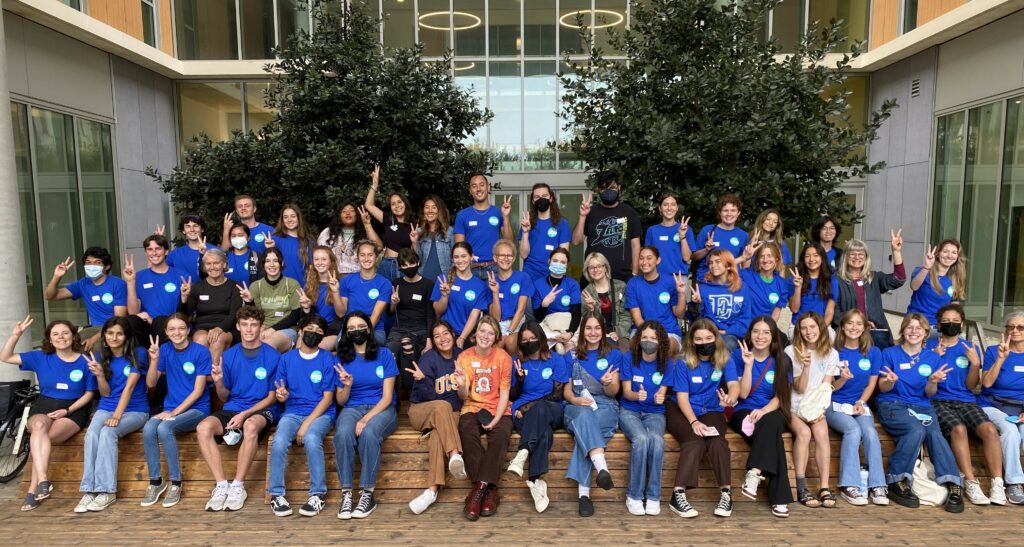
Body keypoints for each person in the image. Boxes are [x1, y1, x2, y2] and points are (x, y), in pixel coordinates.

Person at [1, 317, 94, 511]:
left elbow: (89, 394)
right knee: (38, 428)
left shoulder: (86, 359)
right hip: (44, 405)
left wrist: (67, 410)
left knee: (41, 440)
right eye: (56, 334)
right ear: (50, 340)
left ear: (73, 336)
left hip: (73, 409)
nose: (61, 337)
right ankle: (43, 480)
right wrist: (16, 335)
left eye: (65, 333)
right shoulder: (40, 357)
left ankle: (31, 491)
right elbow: (6, 357)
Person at [195, 307, 280, 512]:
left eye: (253, 325)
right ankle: (222, 485)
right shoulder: (229, 355)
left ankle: (238, 486)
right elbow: (224, 396)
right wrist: (219, 382)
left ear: (261, 327)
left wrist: (245, 414)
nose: (249, 329)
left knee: (250, 426)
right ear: (237, 326)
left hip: (262, 409)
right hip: (234, 408)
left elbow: (272, 397)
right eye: (245, 325)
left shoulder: (274, 356)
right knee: (203, 428)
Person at [876, 313, 963, 513]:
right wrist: (889, 381)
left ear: (926, 333)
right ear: (903, 330)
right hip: (893, 404)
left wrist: (932, 382)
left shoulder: (932, 357)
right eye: (909, 327)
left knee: (935, 434)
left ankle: (953, 483)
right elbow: (882, 388)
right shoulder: (889, 353)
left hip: (922, 406)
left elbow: (929, 393)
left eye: (919, 328)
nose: (914, 331)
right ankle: (897, 480)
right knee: (916, 431)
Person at [927, 303, 1005, 505]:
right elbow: (922, 380)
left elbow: (971, 385)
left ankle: (998, 484)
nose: (951, 324)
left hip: (965, 400)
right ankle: (970, 481)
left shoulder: (970, 347)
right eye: (946, 321)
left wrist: (976, 364)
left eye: (955, 321)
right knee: (959, 430)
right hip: (937, 400)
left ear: (961, 323)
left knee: (989, 429)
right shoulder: (929, 345)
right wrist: (935, 356)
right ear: (939, 323)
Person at [666, 318, 740, 519]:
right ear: (692, 341)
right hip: (681, 409)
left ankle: (726, 494)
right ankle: (677, 494)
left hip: (711, 408)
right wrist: (694, 422)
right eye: (698, 338)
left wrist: (730, 398)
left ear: (716, 338)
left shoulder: (725, 357)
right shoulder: (682, 361)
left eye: (708, 337)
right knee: (694, 441)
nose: (704, 342)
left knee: (718, 442)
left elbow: (734, 384)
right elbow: (682, 397)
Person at [267, 314, 339, 518]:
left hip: (321, 414)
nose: (313, 334)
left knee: (311, 438)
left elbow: (327, 399)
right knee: (279, 441)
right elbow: (282, 393)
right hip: (292, 412)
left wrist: (307, 423)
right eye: (310, 329)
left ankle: (317, 494)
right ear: (300, 331)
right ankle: (276, 495)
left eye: (319, 332)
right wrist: (282, 396)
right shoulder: (287, 358)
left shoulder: (327, 359)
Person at [76, 317, 150, 513]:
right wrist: (100, 375)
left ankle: (106, 491)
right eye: (110, 333)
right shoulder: (100, 356)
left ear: (126, 336)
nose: (114, 337)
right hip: (106, 406)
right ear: (104, 336)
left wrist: (117, 416)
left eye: (119, 333)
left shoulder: (138, 353)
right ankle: (89, 490)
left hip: (135, 409)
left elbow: (129, 387)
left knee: (108, 433)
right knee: (91, 435)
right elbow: (106, 393)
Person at [333, 311, 399, 520]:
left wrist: (365, 418)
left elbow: (387, 397)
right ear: (346, 333)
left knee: (369, 433)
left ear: (369, 329)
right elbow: (341, 401)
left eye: (360, 327)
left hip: (381, 408)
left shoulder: (385, 355)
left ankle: (367, 493)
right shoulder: (341, 358)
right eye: (351, 329)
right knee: (343, 433)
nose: (356, 331)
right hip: (352, 407)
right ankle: (346, 493)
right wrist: (347, 385)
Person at [141, 313, 211, 509]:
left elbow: (198, 391)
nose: (177, 332)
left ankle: (176, 482)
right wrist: (154, 360)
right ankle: (156, 482)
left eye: (181, 328)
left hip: (196, 409)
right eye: (172, 329)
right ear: (166, 332)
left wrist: (174, 413)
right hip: (171, 408)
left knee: (164, 429)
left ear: (188, 330)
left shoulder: (200, 352)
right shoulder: (164, 349)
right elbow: (150, 383)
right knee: (148, 428)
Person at [729, 316, 794, 518]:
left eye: (766, 332)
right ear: (750, 334)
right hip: (743, 411)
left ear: (773, 336)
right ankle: (780, 499)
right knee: (773, 438)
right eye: (756, 331)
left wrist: (764, 410)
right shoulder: (736, 356)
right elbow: (743, 394)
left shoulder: (783, 360)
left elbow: (780, 397)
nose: (760, 336)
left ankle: (755, 472)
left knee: (772, 421)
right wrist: (748, 365)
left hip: (772, 409)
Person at [826, 309, 889, 506]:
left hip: (859, 404)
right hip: (834, 403)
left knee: (870, 431)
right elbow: (829, 388)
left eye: (859, 324)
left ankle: (877, 485)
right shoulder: (833, 352)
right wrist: (843, 379)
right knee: (853, 430)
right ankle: (849, 485)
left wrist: (861, 402)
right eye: (850, 323)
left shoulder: (873, 352)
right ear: (842, 326)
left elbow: (872, 384)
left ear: (865, 327)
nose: (854, 327)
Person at [562, 312, 622, 517]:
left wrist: (607, 384)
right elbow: (567, 391)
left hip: (605, 405)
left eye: (597, 328)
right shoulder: (571, 355)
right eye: (588, 328)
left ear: (603, 331)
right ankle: (601, 468)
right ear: (582, 331)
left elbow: (614, 391)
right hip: (576, 406)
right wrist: (575, 400)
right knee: (584, 416)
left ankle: (584, 496)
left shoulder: (614, 354)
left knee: (585, 434)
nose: (593, 332)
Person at [455, 316, 514, 521]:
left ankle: (477, 491)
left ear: (496, 337)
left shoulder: (504, 357)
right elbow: (463, 396)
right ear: (475, 333)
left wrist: (496, 419)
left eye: (490, 333)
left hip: (498, 408)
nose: (485, 336)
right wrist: (462, 384)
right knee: (466, 430)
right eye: (482, 331)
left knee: (501, 435)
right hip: (472, 406)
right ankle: (489, 491)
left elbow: (505, 393)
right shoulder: (464, 357)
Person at [506, 322, 568, 513]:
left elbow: (557, 394)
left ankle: (522, 452)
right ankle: (535, 482)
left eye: (533, 338)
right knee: (544, 432)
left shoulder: (556, 359)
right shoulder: (517, 362)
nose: (529, 342)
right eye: (524, 340)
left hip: (552, 409)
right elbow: (512, 396)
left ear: (541, 339)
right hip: (521, 411)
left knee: (541, 408)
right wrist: (520, 381)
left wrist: (528, 407)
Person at [406, 321, 467, 514]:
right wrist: (422, 380)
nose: (443, 339)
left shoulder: (462, 356)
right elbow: (427, 397)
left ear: (453, 334)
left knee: (436, 437)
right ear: (433, 341)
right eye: (437, 336)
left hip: (450, 415)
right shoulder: (428, 359)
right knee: (442, 406)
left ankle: (431, 492)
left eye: (446, 333)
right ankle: (454, 455)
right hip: (421, 410)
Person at [785, 312, 839, 508]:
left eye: (812, 327)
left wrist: (819, 411)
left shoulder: (831, 354)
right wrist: (806, 366)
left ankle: (824, 486)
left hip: (815, 407)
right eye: (804, 328)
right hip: (793, 407)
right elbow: (798, 388)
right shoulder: (791, 352)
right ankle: (801, 486)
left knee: (822, 433)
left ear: (820, 328)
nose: (809, 332)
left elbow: (826, 387)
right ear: (799, 331)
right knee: (805, 433)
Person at [619, 321, 674, 516]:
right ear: (638, 339)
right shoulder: (628, 359)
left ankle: (653, 496)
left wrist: (661, 397)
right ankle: (633, 496)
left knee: (657, 441)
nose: (648, 341)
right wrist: (636, 395)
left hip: (654, 412)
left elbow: (663, 392)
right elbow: (626, 392)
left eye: (653, 338)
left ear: (660, 341)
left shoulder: (667, 362)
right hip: (630, 411)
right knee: (641, 439)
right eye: (645, 338)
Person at [980, 311, 1024, 505]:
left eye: (1020, 327)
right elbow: (986, 383)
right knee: (1011, 432)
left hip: (1021, 408)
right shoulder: (993, 351)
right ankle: (1014, 483)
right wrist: (1001, 358)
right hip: (992, 404)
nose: (1014, 331)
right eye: (1010, 327)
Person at [44, 247, 127, 350]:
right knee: (68, 345)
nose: (92, 266)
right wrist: (57, 277)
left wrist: (94, 339)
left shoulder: (117, 284)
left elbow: (118, 319)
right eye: (88, 263)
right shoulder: (83, 283)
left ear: (107, 267)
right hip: (94, 328)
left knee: (96, 347)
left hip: (114, 328)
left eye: (97, 263)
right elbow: (50, 296)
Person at [833, 233, 906, 349]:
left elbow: (899, 279)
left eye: (861, 254)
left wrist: (896, 252)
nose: (857, 257)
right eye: (852, 254)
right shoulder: (836, 280)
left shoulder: (873, 278)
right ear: (845, 257)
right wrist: (858, 324)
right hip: (848, 334)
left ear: (866, 257)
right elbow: (834, 311)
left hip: (876, 333)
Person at [572, 170, 642, 282]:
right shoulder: (590, 212)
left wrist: (634, 273)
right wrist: (582, 216)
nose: (608, 191)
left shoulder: (630, 213)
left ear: (619, 187)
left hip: (622, 278)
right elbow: (576, 241)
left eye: (612, 187)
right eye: (604, 188)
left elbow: (635, 246)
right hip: (592, 277)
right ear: (598, 190)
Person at [179, 249, 242, 365]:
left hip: (226, 328)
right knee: (200, 340)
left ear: (224, 264)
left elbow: (235, 315)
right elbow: (184, 316)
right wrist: (183, 299)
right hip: (202, 328)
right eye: (208, 264)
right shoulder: (197, 287)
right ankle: (201, 377)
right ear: (204, 266)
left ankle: (214, 379)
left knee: (216, 340)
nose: (212, 267)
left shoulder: (234, 286)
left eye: (216, 263)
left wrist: (220, 328)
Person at [124, 234, 187, 347]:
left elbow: (186, 311)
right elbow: (133, 312)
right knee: (131, 321)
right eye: (150, 249)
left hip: (171, 326)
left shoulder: (180, 275)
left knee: (160, 321)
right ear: (146, 253)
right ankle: (139, 361)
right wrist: (130, 283)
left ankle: (162, 362)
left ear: (166, 251)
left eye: (158, 249)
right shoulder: (138, 276)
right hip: (146, 326)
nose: (154, 253)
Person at [388, 247, 436, 394]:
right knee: (390, 350)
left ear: (418, 262)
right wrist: (394, 303)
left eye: (411, 263)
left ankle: (411, 391)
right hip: (400, 328)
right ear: (400, 267)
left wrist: (429, 338)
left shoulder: (428, 284)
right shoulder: (396, 283)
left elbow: (430, 314)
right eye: (404, 265)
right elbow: (390, 312)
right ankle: (392, 392)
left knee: (411, 350)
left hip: (420, 329)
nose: (408, 267)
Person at [625, 246, 687, 355]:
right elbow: (638, 318)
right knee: (636, 347)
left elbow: (679, 314)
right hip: (642, 329)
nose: (644, 262)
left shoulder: (670, 281)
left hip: (668, 331)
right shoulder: (633, 283)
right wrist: (652, 335)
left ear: (658, 260)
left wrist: (681, 293)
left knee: (664, 348)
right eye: (641, 258)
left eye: (649, 258)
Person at [240, 248, 303, 352]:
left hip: (287, 329)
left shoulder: (292, 284)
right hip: (262, 328)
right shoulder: (256, 286)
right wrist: (249, 301)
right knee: (249, 345)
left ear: (281, 263)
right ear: (263, 265)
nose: (272, 265)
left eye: (275, 261)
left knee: (266, 345)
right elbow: (252, 315)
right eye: (268, 261)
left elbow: (295, 315)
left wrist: (272, 329)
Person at [453, 173, 513, 279]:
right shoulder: (463, 215)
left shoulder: (499, 212)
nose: (478, 189)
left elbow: (509, 242)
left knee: (495, 296)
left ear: (488, 187)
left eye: (482, 185)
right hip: (471, 269)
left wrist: (506, 217)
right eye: (474, 186)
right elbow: (459, 247)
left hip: (495, 268)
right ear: (470, 191)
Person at [432, 242, 490, 349]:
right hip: (446, 334)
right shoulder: (443, 279)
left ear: (471, 256)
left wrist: (462, 338)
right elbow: (437, 311)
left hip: (467, 334)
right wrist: (445, 296)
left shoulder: (480, 286)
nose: (460, 260)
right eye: (456, 257)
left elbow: (474, 315)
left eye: (464, 256)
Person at [365, 166, 416, 283]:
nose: (397, 206)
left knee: (400, 299)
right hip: (385, 264)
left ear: (405, 203)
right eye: (393, 204)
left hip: (402, 265)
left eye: (399, 202)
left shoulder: (413, 224)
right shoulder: (388, 219)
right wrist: (374, 185)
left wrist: (414, 242)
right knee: (383, 297)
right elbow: (369, 205)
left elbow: (416, 250)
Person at [694, 249, 752, 351]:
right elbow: (701, 318)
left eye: (718, 261)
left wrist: (727, 331)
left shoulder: (742, 288)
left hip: (730, 334)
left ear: (728, 265)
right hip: (707, 333)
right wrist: (699, 304)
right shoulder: (703, 288)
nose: (713, 265)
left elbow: (745, 318)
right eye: (711, 263)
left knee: (727, 344)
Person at [337, 240, 393, 345]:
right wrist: (335, 292)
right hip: (350, 327)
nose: (366, 259)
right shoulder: (346, 280)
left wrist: (360, 336)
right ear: (357, 258)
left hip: (374, 329)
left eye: (370, 255)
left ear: (376, 258)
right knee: (341, 345)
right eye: (362, 255)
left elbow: (375, 317)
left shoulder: (385, 283)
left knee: (366, 346)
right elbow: (341, 313)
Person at [532, 248, 582, 352]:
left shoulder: (573, 284)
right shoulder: (538, 284)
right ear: (549, 261)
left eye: (563, 262)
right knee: (539, 334)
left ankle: (564, 345)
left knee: (583, 331)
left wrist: (570, 332)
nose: (558, 264)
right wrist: (544, 304)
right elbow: (538, 316)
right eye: (555, 261)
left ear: (567, 265)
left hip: (570, 321)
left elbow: (576, 313)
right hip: (549, 322)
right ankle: (562, 345)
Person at [487, 239, 533, 352]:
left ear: (514, 258)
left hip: (517, 322)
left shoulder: (523, 277)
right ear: (495, 258)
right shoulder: (491, 282)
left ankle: (514, 368)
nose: (506, 258)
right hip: (498, 324)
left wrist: (508, 332)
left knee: (510, 342)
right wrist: (495, 292)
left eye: (509, 255)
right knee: (497, 346)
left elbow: (521, 310)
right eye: (502, 255)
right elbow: (496, 318)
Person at [519, 183, 571, 282]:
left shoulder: (562, 223)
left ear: (551, 199)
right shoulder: (527, 222)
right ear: (533, 201)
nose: (541, 199)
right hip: (530, 274)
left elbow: (563, 255)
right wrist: (525, 233)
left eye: (544, 196)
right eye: (537, 197)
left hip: (553, 274)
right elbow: (523, 255)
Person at [907, 239, 967, 326]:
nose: (950, 256)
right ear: (938, 254)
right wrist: (927, 267)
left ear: (958, 256)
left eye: (954, 252)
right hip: (917, 323)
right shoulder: (922, 271)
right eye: (945, 251)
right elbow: (914, 286)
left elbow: (954, 304)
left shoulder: (955, 278)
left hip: (940, 326)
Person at [692, 194, 748, 281]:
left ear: (738, 213)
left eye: (733, 210)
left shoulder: (743, 235)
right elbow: (694, 257)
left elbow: (745, 264)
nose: (729, 214)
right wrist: (706, 249)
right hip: (707, 280)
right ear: (719, 212)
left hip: (731, 282)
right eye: (725, 210)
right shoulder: (708, 230)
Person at [581, 252, 631, 348]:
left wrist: (617, 332)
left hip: (619, 334)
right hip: (596, 335)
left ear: (605, 268)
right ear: (588, 271)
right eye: (591, 267)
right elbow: (586, 322)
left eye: (599, 266)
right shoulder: (586, 293)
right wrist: (592, 309)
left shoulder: (620, 286)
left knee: (623, 353)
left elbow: (626, 316)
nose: (595, 270)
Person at [301, 246, 345, 350]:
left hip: (333, 331)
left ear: (331, 261)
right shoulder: (309, 284)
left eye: (324, 259)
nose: (320, 262)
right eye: (316, 259)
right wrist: (306, 308)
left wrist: (335, 291)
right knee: (300, 349)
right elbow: (305, 317)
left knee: (316, 349)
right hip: (312, 328)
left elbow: (341, 314)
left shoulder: (341, 283)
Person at [645, 193, 695, 278]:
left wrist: (682, 236)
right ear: (660, 208)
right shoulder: (652, 230)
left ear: (677, 208)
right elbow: (647, 257)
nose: (669, 208)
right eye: (665, 205)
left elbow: (687, 258)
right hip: (657, 278)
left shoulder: (686, 229)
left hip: (680, 278)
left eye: (673, 204)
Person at [318, 201, 373, 278]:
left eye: (351, 210)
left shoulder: (365, 233)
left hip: (358, 278)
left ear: (357, 215)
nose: (348, 213)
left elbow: (378, 247)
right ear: (339, 216)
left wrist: (367, 225)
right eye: (344, 211)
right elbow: (319, 255)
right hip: (333, 277)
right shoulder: (328, 233)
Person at [740, 244, 792, 323]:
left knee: (783, 336)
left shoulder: (782, 284)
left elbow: (776, 312)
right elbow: (725, 270)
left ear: (776, 259)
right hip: (746, 328)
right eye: (762, 256)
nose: (765, 260)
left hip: (766, 328)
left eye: (769, 256)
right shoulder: (748, 275)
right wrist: (743, 258)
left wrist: (768, 329)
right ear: (757, 260)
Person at [789, 243, 838, 326]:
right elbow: (794, 309)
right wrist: (798, 287)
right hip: (798, 325)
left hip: (822, 325)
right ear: (803, 260)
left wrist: (821, 329)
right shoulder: (794, 279)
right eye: (807, 256)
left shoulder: (831, 280)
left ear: (822, 258)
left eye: (816, 255)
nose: (811, 259)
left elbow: (830, 311)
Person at [266, 203, 316, 284]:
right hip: (281, 288)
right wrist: (270, 249)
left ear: (299, 218)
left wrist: (309, 288)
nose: (289, 220)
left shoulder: (309, 240)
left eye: (293, 216)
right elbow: (270, 265)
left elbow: (312, 267)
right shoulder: (275, 239)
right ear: (282, 220)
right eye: (285, 217)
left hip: (303, 288)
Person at [414, 194, 454, 283]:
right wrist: (414, 242)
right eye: (427, 207)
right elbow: (417, 261)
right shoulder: (418, 232)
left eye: (434, 207)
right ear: (423, 211)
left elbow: (455, 259)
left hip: (444, 281)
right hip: (423, 280)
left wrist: (451, 278)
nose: (430, 211)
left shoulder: (450, 231)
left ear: (439, 211)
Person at [166, 214, 216, 281]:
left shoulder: (215, 251)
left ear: (202, 229)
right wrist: (158, 244)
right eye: (188, 226)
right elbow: (159, 270)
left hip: (209, 291)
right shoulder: (175, 254)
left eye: (195, 226)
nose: (192, 229)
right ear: (183, 230)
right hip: (184, 291)